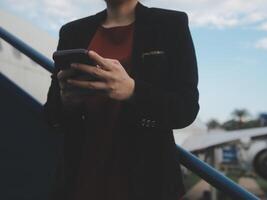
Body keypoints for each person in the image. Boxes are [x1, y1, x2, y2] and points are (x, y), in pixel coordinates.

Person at [43, 0, 199, 200]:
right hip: (80, 176)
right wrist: (66, 102)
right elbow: (51, 115)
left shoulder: (170, 24)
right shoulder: (72, 32)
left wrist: (133, 91)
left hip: (147, 179)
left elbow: (186, 108)